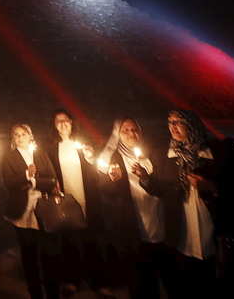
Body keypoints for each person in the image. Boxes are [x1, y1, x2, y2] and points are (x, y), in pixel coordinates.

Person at [134, 109, 220, 298]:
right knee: (184, 278)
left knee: (209, 277)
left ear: (191, 125)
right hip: (181, 224)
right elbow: (160, 189)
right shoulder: (167, 156)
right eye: (169, 122)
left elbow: (233, 186)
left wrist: (209, 186)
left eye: (178, 122)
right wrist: (145, 178)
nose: (172, 127)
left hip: (209, 224)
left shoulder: (211, 154)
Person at [98, 118, 169, 298]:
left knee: (164, 275)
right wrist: (112, 181)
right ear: (118, 135)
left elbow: (163, 187)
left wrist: (146, 178)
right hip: (132, 224)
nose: (131, 134)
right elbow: (104, 189)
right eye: (125, 130)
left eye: (134, 129)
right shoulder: (114, 158)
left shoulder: (153, 154)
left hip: (158, 221)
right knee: (139, 279)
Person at [44, 109, 106, 296]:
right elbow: (49, 173)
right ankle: (72, 280)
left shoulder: (84, 145)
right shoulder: (52, 148)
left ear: (72, 123)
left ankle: (98, 281)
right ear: (54, 126)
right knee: (69, 242)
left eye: (66, 120)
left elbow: (95, 171)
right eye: (58, 121)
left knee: (91, 241)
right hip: (66, 200)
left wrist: (90, 157)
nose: (63, 124)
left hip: (86, 198)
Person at [2, 124, 59, 299]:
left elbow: (52, 178)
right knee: (29, 255)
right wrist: (27, 175)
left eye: (23, 134)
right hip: (23, 211)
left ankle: (53, 291)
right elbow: (9, 182)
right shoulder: (9, 157)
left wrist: (34, 182)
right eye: (16, 135)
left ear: (30, 136)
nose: (20, 137)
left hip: (44, 208)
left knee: (49, 253)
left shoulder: (40, 153)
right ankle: (35, 292)